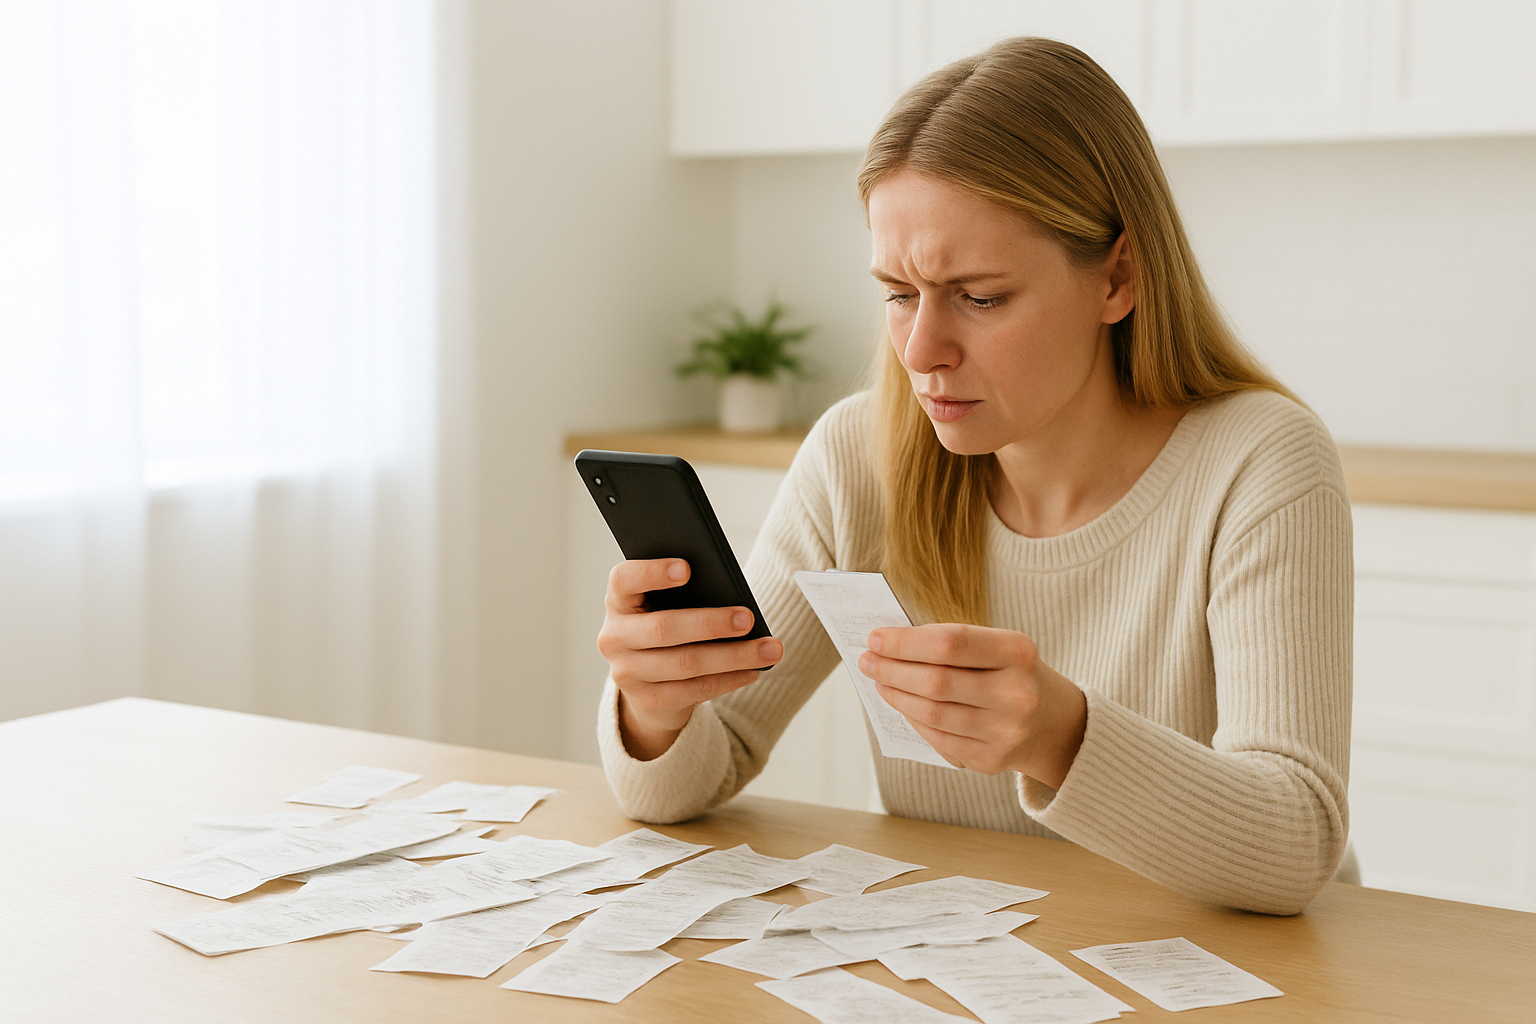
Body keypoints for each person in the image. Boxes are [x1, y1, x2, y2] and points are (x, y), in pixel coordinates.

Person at [595, 37, 1353, 915]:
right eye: (898, 293)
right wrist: (657, 710)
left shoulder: (1259, 462)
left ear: (1118, 276)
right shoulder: (858, 457)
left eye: (980, 297)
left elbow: (1295, 845)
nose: (921, 352)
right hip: (973, 963)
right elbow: (691, 772)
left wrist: (1057, 734)